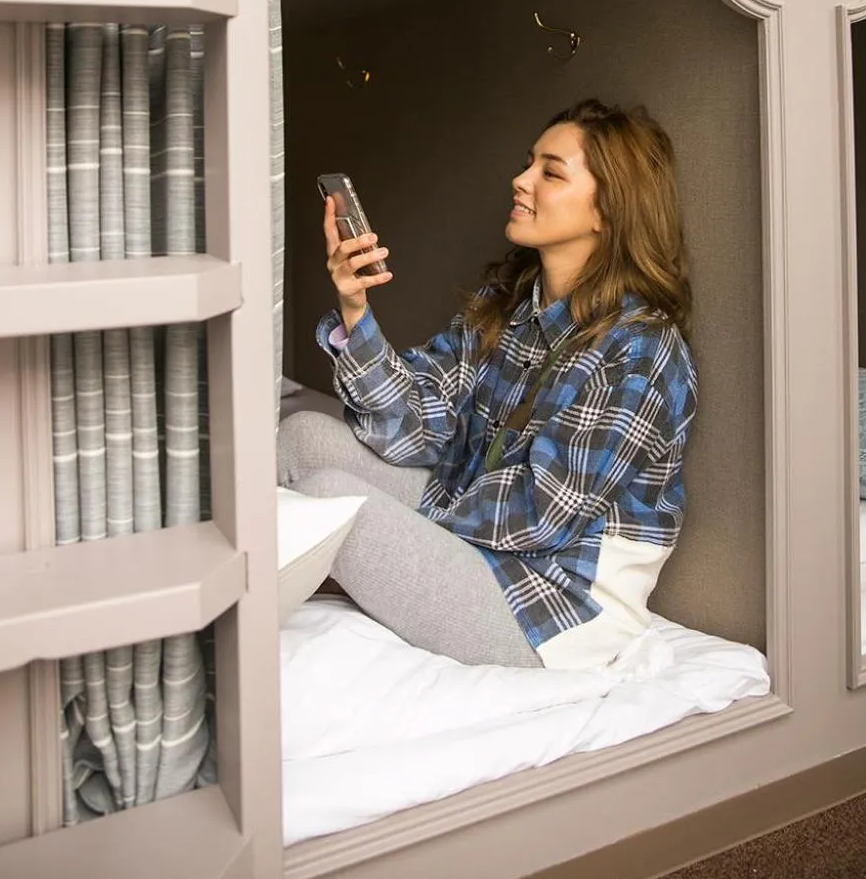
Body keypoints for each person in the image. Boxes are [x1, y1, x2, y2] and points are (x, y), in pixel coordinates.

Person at [278, 98, 697, 672]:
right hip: (473, 529)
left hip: (552, 603)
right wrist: (355, 308)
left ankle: (234, 617)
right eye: (529, 163)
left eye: (550, 172)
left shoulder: (639, 348)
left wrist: (406, 520)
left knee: (331, 499)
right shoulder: (507, 308)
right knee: (302, 435)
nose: (520, 180)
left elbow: (542, 515)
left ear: (609, 209)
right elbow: (414, 430)